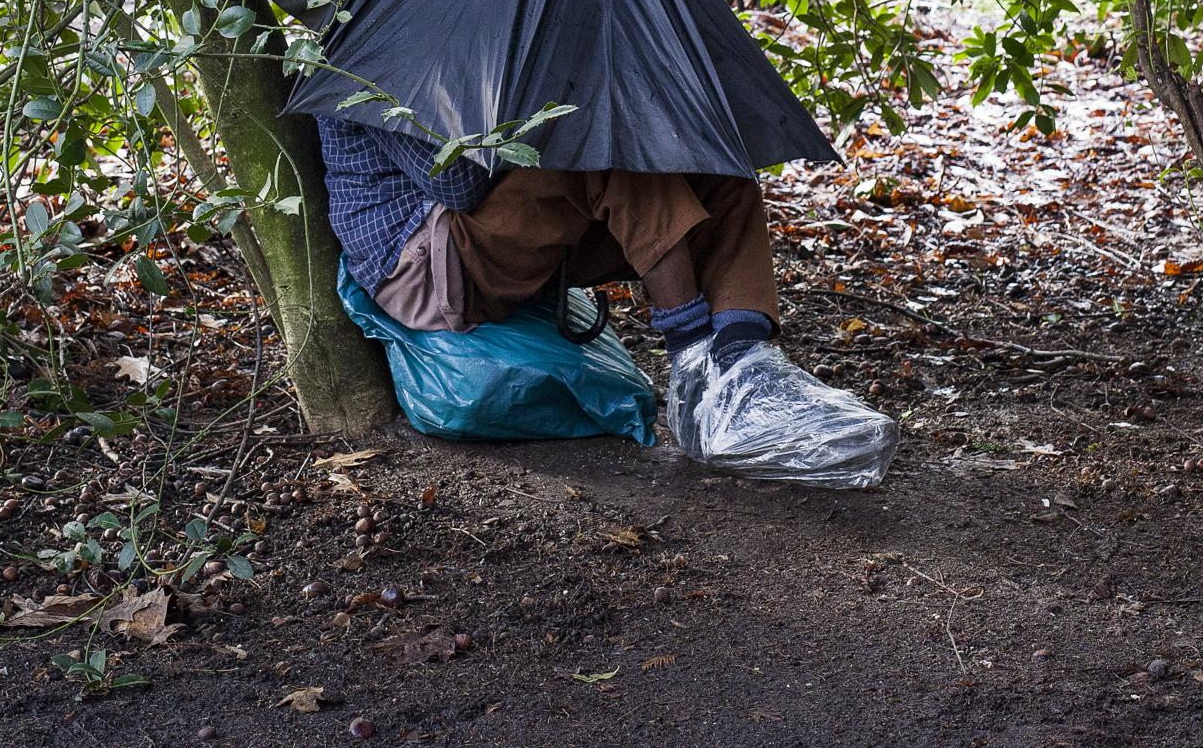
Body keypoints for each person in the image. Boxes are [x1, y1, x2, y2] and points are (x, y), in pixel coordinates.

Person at [317, 111, 900, 481]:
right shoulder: (365, 57)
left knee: (722, 177)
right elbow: (459, 181)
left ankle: (744, 375)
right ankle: (695, 373)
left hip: (478, 236)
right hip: (429, 262)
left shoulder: (448, 30)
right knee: (609, 151)